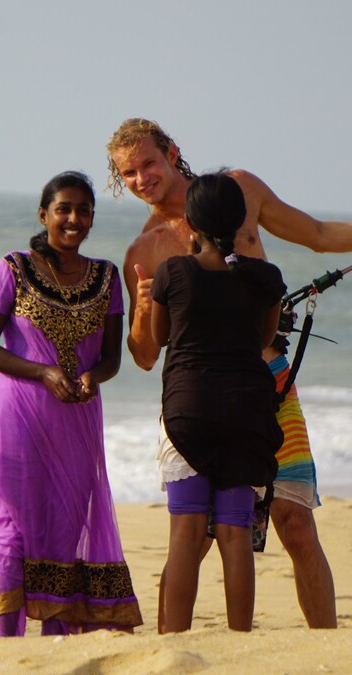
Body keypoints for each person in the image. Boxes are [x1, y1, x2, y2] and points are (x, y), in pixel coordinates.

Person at [108, 118, 352, 629]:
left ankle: (326, 651)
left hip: (270, 384)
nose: (140, 179)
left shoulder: (241, 189)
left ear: (172, 152)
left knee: (296, 525)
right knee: (194, 537)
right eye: (127, 173)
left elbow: (316, 234)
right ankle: (167, 654)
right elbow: (145, 356)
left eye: (147, 163)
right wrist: (140, 312)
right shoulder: (146, 249)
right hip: (195, 400)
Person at [0, 171, 143, 637]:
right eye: (64, 208)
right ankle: (8, 640)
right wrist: (43, 373)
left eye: (83, 210)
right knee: (13, 527)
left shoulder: (106, 276)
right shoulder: (11, 268)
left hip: (78, 420)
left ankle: (55, 642)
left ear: (92, 219)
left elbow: (111, 358)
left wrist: (93, 375)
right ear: (44, 214)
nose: (73, 218)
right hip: (20, 417)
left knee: (66, 526)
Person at [151, 172, 286, 632]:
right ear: (240, 220)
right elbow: (264, 339)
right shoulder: (266, 278)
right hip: (247, 414)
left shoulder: (173, 272)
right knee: (234, 533)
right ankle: (239, 642)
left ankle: (175, 644)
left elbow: (159, 337)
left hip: (188, 410)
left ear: (190, 221)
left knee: (186, 534)